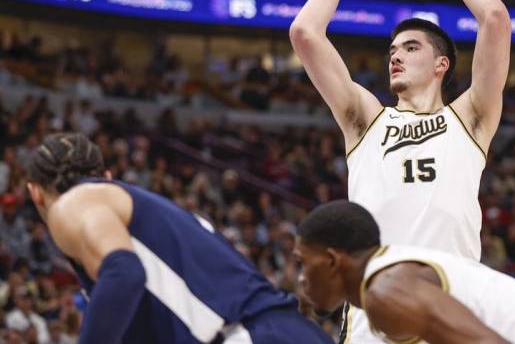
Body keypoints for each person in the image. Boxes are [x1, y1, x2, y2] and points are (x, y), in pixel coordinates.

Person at [289, 0, 511, 340]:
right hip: (373, 321)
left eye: (410, 48)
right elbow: (305, 33)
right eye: (392, 50)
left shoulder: (470, 118)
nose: (395, 54)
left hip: (452, 310)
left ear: (441, 64)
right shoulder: (364, 121)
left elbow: (494, 18)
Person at [24, 133, 333, 344]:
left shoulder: (71, 204)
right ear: (106, 176)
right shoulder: (151, 211)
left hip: (245, 335)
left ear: (35, 192)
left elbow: (124, 272)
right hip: (288, 331)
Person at [294, 200, 515, 344]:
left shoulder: (388, 290)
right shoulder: (392, 278)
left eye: (303, 262)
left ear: (333, 261)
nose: (300, 278)